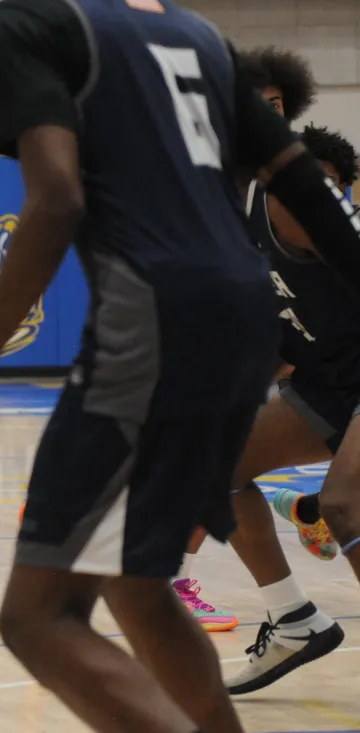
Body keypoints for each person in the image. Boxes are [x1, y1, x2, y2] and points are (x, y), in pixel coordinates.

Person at [0, 0, 360, 732]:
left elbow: (56, 200)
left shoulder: (33, 18)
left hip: (154, 318)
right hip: (248, 317)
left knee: (37, 616)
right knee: (135, 586)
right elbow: (307, 188)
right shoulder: (197, 32)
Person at [171, 45, 320, 633]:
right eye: (254, 105)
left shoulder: (297, 182)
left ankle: (311, 511)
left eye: (278, 106)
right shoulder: (206, 180)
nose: (267, 116)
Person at [207, 123, 357, 695]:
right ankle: (294, 621)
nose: (322, 200)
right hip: (326, 385)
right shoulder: (250, 226)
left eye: (333, 188)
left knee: (342, 505)